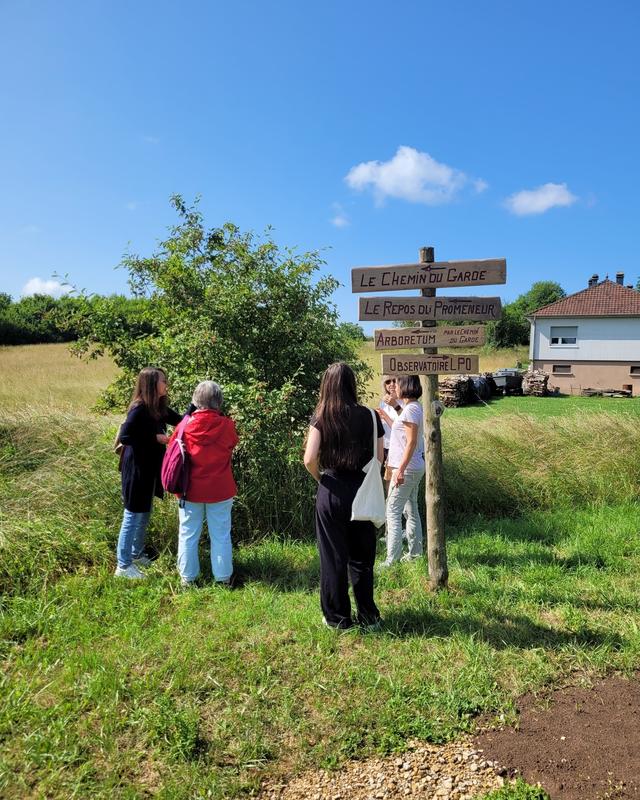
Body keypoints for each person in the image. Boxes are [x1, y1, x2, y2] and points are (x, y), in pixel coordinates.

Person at [303, 362, 384, 630]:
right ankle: (369, 617)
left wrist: (321, 479)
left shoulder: (322, 416)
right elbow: (380, 458)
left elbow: (309, 458)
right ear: (352, 384)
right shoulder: (372, 416)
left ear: (327, 385)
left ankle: (338, 619)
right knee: (362, 557)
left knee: (333, 556)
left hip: (332, 489)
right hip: (363, 490)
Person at [115, 367, 183, 579]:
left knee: (144, 513)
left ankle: (136, 554)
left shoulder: (157, 407)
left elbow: (180, 419)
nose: (166, 384)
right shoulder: (139, 408)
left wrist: (199, 409)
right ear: (152, 384)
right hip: (135, 469)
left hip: (148, 469)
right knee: (132, 515)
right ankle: (123, 566)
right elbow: (126, 437)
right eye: (163, 380)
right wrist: (155, 438)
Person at [173, 381, 239, 587]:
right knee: (220, 534)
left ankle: (188, 579)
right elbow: (232, 442)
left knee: (188, 534)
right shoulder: (227, 425)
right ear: (219, 401)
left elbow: (173, 447)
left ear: (195, 401)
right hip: (220, 488)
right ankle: (223, 578)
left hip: (189, 489)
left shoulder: (184, 425)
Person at [382, 375, 425, 566]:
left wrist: (399, 470)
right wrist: (391, 411)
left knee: (392, 511)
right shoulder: (412, 408)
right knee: (411, 509)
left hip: (406, 469)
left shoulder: (411, 410)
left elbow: (411, 442)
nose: (394, 387)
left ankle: (392, 559)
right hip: (414, 467)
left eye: (397, 384)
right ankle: (415, 553)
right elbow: (403, 430)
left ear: (405, 386)